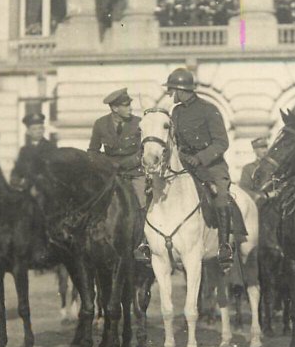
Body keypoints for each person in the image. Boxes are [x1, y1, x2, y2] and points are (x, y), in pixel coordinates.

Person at [164, 67, 234, 266]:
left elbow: (221, 142)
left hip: (211, 167)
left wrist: (200, 158)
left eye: (172, 90)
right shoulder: (176, 112)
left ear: (180, 90)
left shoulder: (208, 109)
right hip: (185, 165)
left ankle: (224, 246)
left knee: (220, 196)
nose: (170, 94)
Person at [88, 88, 149, 258]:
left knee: (144, 203)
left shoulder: (140, 123)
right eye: (126, 105)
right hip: (110, 175)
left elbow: (144, 150)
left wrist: (121, 164)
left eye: (130, 104)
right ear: (115, 108)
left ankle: (144, 243)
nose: (130, 108)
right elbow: (92, 151)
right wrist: (106, 164)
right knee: (94, 200)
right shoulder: (100, 124)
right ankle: (94, 237)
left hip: (135, 173)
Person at [239, 137, 269, 204]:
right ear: (255, 150)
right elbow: (243, 189)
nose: (265, 151)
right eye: (261, 148)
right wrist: (260, 196)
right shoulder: (248, 168)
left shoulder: (273, 167)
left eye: (266, 147)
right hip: (258, 204)